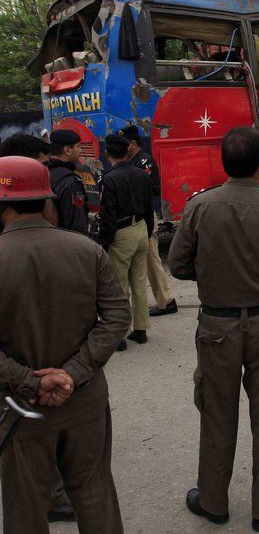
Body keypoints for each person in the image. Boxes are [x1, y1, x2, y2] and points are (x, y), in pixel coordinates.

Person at [168, 127, 259, 530]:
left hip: (217, 326)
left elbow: (177, 266)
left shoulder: (199, 206)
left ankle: (213, 502)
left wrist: (215, 270)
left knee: (216, 414)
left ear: (222, 162)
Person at [0, 155, 130, 533]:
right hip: (84, 403)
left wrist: (32, 381)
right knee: (95, 496)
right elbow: (118, 317)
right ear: (46, 201)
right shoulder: (86, 250)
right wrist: (73, 373)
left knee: (25, 509)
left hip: (20, 411)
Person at [98, 134, 154, 348]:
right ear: (127, 152)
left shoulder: (109, 179)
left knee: (119, 285)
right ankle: (141, 329)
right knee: (139, 281)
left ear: (107, 153)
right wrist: (147, 231)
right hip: (140, 227)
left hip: (121, 233)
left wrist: (104, 242)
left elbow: (108, 215)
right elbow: (149, 207)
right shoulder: (141, 174)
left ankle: (120, 334)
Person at [119, 125, 178, 317]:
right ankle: (164, 300)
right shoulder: (131, 161)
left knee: (152, 259)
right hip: (135, 216)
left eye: (124, 143)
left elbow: (153, 188)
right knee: (148, 261)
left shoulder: (144, 161)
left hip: (144, 215)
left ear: (132, 143)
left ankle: (166, 301)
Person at [47, 129, 89, 233]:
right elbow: (77, 225)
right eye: (78, 146)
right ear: (67, 150)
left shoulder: (44, 173)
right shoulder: (70, 182)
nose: (81, 151)